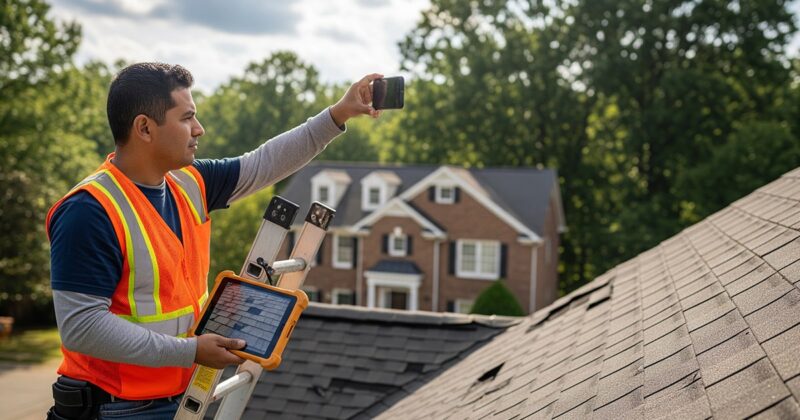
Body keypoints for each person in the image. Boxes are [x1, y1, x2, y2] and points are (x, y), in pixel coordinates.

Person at [46, 62, 382, 419]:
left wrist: (340, 112)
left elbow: (265, 163)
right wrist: (190, 351)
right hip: (116, 409)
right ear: (144, 128)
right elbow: (81, 328)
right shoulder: (89, 210)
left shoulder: (189, 182)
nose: (199, 129)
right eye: (186, 118)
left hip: (180, 397)